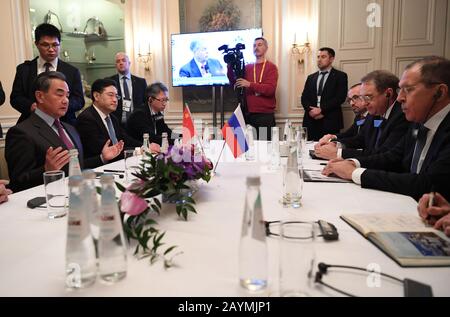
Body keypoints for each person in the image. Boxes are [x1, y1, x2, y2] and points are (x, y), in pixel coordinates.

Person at [322, 56, 450, 201]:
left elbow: (428, 184)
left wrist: (355, 173)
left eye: (408, 90)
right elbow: (393, 157)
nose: (400, 97)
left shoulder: (409, 118)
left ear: (439, 93)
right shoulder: (418, 122)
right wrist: (352, 163)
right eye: (400, 90)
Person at [5, 72, 123, 193]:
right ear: (40, 96)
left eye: (67, 95)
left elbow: (77, 167)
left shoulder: (70, 128)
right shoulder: (21, 133)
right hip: (48, 201)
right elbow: (17, 182)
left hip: (77, 196)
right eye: (59, 94)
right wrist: (46, 171)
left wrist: (102, 158)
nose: (66, 100)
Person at [315, 71, 409, 160]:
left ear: (388, 94)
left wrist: (338, 153)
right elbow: (361, 139)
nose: (364, 103)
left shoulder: (402, 115)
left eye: (368, 97)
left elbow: (384, 155)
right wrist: (336, 144)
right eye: (362, 98)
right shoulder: (375, 112)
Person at [10, 23, 84, 125]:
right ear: (36, 44)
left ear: (60, 44)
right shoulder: (24, 69)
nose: (51, 49)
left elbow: (79, 100)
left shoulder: (72, 71)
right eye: (45, 45)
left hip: (64, 123)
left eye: (55, 45)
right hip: (31, 123)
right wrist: (31, 106)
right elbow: (16, 98)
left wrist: (58, 106)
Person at [76, 79, 156, 167]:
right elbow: (108, 150)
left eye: (116, 96)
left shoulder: (112, 118)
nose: (115, 100)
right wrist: (139, 150)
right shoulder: (87, 119)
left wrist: (144, 147)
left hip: (116, 164)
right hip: (97, 170)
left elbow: (125, 139)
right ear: (96, 96)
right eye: (110, 95)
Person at [228, 37, 278, 140]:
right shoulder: (247, 67)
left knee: (264, 148)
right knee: (245, 148)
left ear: (266, 48)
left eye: (260, 45)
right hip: (247, 114)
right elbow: (235, 83)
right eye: (254, 45)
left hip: (264, 116)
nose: (256, 47)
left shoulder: (271, 67)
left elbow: (270, 89)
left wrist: (250, 84)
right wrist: (230, 67)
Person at [301, 47, 348, 141]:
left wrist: (321, 110)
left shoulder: (340, 76)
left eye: (323, 57)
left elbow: (340, 97)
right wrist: (311, 111)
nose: (319, 59)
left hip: (330, 121)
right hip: (311, 121)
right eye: (318, 57)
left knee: (328, 150)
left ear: (331, 59)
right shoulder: (311, 77)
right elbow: (304, 97)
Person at [107, 52, 147, 127]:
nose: (121, 63)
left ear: (129, 63)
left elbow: (145, 103)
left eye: (123, 60)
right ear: (116, 65)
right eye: (118, 61)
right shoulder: (110, 82)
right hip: (117, 124)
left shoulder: (141, 82)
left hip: (138, 123)